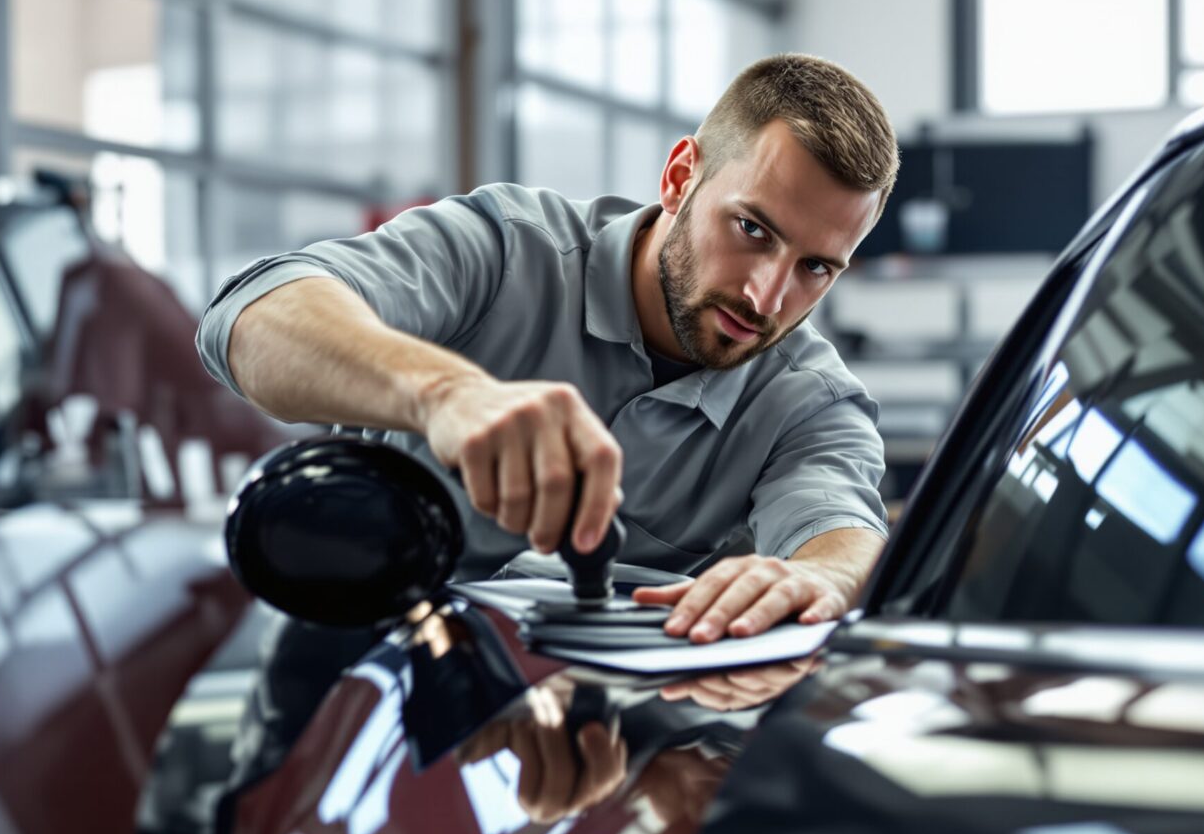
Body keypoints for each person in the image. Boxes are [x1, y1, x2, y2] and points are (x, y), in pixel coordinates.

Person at [198, 53, 898, 644]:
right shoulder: (504, 252)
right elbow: (250, 318)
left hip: (606, 729)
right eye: (752, 229)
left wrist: (821, 576)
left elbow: (842, 534)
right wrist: (446, 393)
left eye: (816, 268)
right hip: (359, 668)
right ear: (682, 177)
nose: (766, 298)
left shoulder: (808, 399)